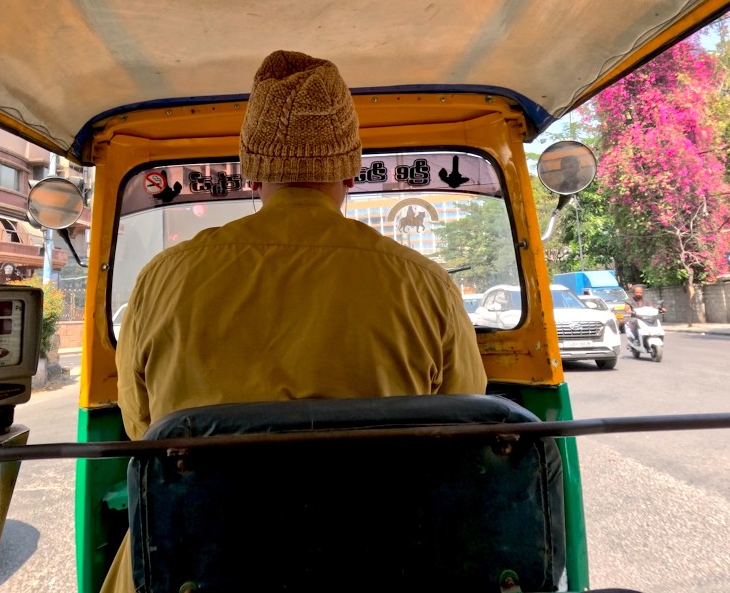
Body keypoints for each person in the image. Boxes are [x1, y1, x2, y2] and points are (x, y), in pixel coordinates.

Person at [102, 50, 486, 593]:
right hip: (377, 560)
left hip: (195, 563)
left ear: (252, 172)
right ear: (350, 172)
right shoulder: (424, 283)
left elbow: (142, 428)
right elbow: (464, 429)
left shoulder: (163, 279)